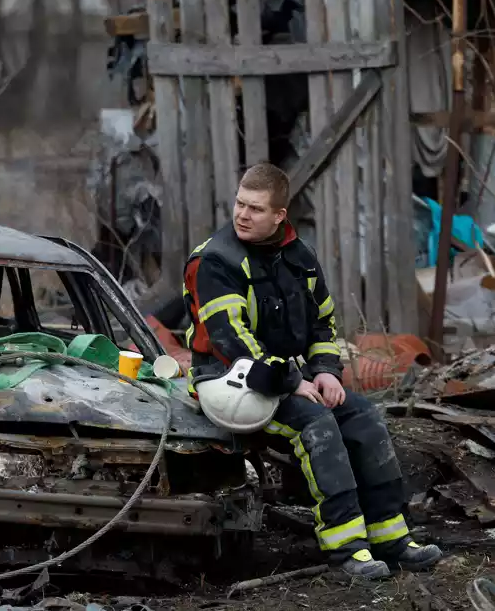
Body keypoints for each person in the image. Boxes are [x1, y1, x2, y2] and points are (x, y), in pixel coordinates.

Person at [182, 162, 442, 580]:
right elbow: (231, 340)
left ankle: (392, 538)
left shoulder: (301, 258)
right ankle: (346, 551)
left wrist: (326, 372)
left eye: (256, 209)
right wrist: (291, 381)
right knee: (315, 424)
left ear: (279, 215)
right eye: (240, 204)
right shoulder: (214, 261)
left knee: (364, 416)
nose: (243, 215)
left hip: (288, 378)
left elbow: (323, 325)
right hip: (229, 381)